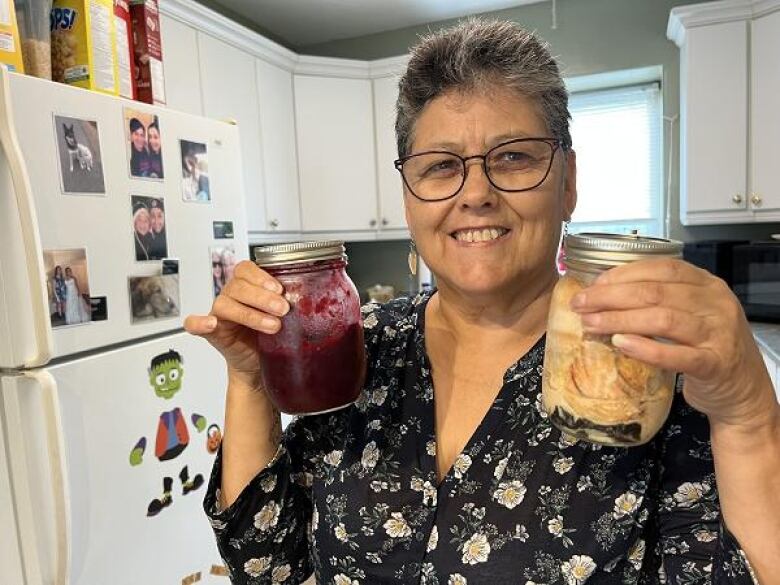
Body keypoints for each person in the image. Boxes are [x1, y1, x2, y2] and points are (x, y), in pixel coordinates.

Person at [184, 19, 780, 584]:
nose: (476, 194)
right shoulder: (360, 344)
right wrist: (250, 380)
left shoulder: (647, 366)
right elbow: (269, 567)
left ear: (567, 182)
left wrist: (749, 417)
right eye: (441, 166)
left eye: (513, 157)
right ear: (409, 197)